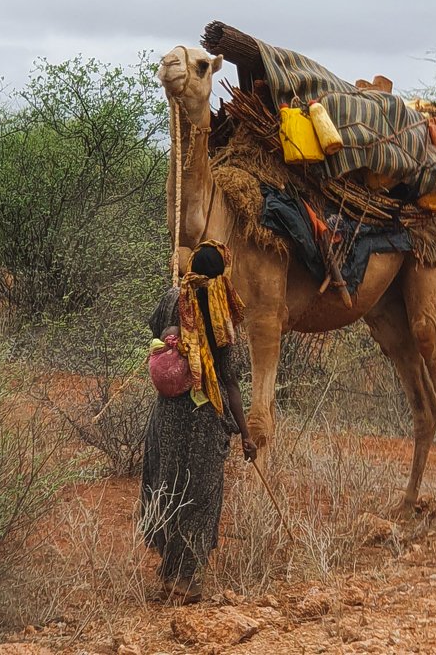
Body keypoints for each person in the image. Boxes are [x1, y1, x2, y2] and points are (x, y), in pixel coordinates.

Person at [141, 241, 257, 602]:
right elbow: (231, 382)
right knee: (200, 498)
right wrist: (246, 434)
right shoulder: (222, 314)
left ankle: (170, 572)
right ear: (222, 273)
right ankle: (185, 579)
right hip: (205, 419)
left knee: (167, 486)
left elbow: (156, 334)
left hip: (168, 415)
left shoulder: (172, 297)